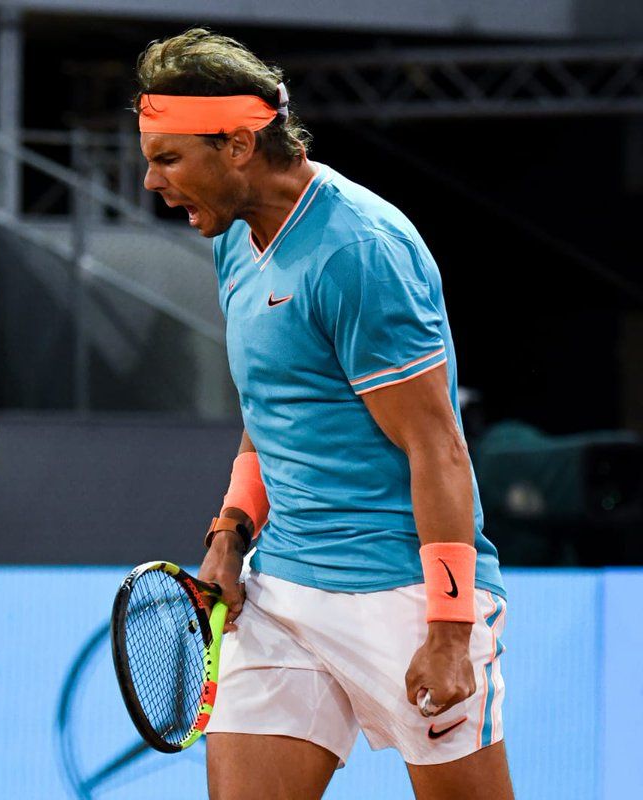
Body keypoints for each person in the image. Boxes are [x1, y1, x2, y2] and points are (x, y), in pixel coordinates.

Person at [134, 30, 512, 799]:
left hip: (404, 595)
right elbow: (273, 408)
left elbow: (437, 449)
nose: (150, 180)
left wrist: (447, 631)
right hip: (286, 597)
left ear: (238, 144)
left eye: (169, 158)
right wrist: (231, 532)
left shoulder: (358, 252)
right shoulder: (232, 238)